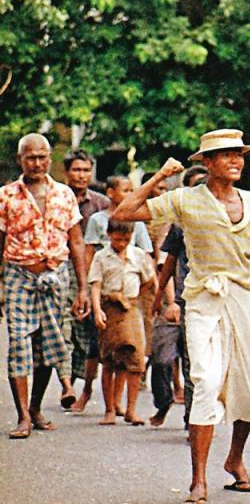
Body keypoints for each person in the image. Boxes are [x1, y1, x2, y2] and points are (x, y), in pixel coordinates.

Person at [115, 129, 250, 504]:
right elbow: (124, 212)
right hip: (203, 300)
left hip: (240, 301)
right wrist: (157, 177)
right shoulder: (185, 199)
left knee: (248, 389)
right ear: (206, 162)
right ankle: (197, 479)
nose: (235, 161)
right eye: (225, 155)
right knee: (204, 382)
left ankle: (234, 461)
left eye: (238, 154)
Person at [0, 134, 89, 439]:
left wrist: (83, 290)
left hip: (56, 275)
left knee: (49, 344)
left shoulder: (65, 195)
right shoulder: (6, 196)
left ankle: (36, 407)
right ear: (20, 160)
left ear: (49, 159)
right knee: (19, 344)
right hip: (18, 275)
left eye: (42, 157)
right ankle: (23, 415)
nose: (36, 163)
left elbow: (76, 241)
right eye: (30, 158)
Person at [84, 174, 154, 416]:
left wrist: (140, 301)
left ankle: (131, 408)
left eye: (126, 238)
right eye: (117, 238)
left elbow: (150, 280)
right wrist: (98, 309)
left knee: (134, 358)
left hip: (132, 310)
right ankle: (109, 409)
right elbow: (95, 284)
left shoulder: (137, 256)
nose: (121, 243)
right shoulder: (103, 256)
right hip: (109, 308)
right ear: (109, 235)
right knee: (109, 359)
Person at [150, 164, 207, 428]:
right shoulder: (179, 225)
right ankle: (164, 403)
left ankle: (192, 420)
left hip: (209, 300)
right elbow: (168, 263)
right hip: (182, 298)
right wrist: (166, 299)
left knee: (196, 363)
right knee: (163, 358)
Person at [60, 149, 109, 411]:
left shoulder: (101, 203)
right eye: (76, 170)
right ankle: (67, 383)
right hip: (62, 265)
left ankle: (84, 384)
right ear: (67, 172)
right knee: (64, 323)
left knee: (90, 330)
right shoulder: (58, 197)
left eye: (85, 170)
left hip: (96, 271)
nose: (81, 175)